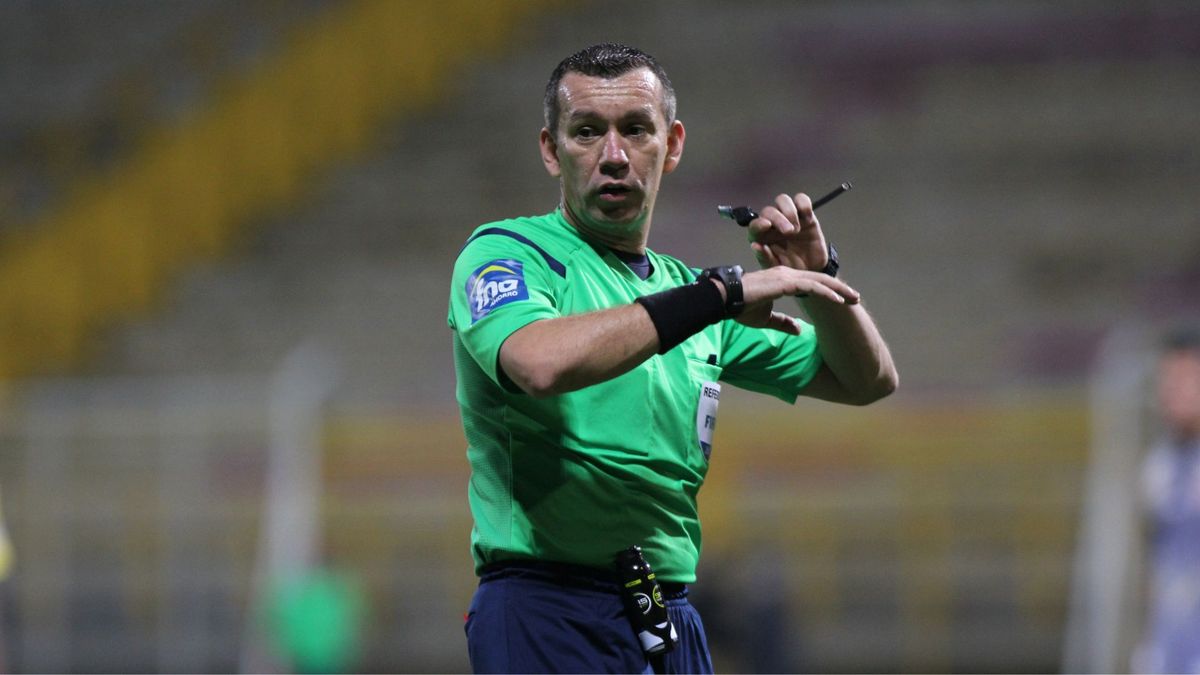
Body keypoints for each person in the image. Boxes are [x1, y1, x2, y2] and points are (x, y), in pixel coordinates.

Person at [447, 43, 898, 674]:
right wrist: (720, 295)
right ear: (551, 150)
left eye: (636, 129)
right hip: (545, 607)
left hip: (667, 614)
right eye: (587, 132)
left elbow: (869, 379)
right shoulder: (508, 254)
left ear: (673, 143)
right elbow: (537, 363)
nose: (613, 155)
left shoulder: (693, 298)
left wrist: (818, 277)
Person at [1134, 327, 1200, 674]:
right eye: (1167, 380)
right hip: (1171, 645)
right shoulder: (1158, 467)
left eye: (1185, 379)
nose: (1172, 391)